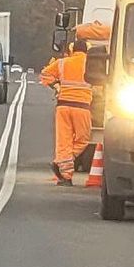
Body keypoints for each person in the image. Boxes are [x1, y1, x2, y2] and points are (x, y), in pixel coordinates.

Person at [41, 39, 92, 186]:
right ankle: (63, 164)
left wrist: (56, 86)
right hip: (82, 107)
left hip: (63, 106)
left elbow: (45, 74)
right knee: (83, 139)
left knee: (64, 141)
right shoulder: (91, 64)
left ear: (72, 49)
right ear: (87, 50)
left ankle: (65, 175)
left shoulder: (63, 62)